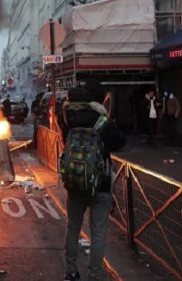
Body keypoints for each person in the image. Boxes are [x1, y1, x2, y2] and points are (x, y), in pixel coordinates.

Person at [61, 79, 125, 281]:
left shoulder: (68, 117)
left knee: (73, 229)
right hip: (101, 183)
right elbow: (120, 143)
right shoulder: (102, 121)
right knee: (98, 233)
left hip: (75, 181)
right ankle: (95, 275)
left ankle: (71, 271)